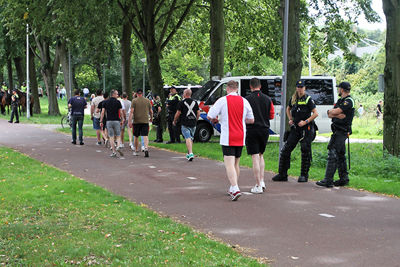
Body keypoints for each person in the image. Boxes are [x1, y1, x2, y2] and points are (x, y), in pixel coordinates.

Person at [207, 80, 254, 201]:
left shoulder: (222, 100)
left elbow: (210, 115)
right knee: (236, 163)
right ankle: (233, 188)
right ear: (237, 89)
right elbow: (251, 120)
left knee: (229, 164)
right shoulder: (244, 101)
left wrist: (217, 120)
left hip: (228, 136)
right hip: (240, 135)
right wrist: (241, 120)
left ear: (227, 89)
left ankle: (235, 187)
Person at [272, 80, 318, 183]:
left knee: (305, 150)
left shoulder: (308, 99)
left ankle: (304, 175)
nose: (300, 89)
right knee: (286, 150)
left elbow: (315, 114)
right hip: (296, 128)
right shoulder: (293, 99)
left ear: (304, 88)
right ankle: (282, 174)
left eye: (301, 87)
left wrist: (305, 122)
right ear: (296, 88)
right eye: (298, 87)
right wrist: (290, 119)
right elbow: (288, 109)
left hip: (306, 129)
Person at [316, 82, 354, 187]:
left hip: (342, 131)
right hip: (337, 130)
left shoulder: (348, 101)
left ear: (342, 89)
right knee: (341, 155)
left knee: (332, 153)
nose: (338, 90)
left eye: (339, 89)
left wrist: (334, 113)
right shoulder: (340, 101)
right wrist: (335, 114)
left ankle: (328, 180)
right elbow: (331, 114)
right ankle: (343, 178)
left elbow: (337, 111)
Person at [245, 78, 275, 193]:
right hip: (265, 129)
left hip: (252, 129)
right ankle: (262, 181)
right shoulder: (268, 99)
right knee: (261, 155)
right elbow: (271, 115)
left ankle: (258, 185)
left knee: (254, 157)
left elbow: (244, 115)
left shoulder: (246, 100)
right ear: (260, 86)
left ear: (250, 86)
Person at [173, 89, 200, 161]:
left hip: (185, 122)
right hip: (193, 122)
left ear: (184, 94)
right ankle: (189, 154)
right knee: (191, 138)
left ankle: (191, 153)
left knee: (187, 137)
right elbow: (198, 113)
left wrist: (174, 120)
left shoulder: (181, 103)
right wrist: (196, 120)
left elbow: (178, 113)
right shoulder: (195, 102)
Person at [129, 89, 153, 157]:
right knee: (145, 135)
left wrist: (130, 121)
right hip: (145, 121)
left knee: (136, 136)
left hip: (136, 121)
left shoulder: (134, 101)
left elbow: (131, 111)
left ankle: (136, 150)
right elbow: (151, 111)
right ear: (142, 93)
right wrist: (151, 118)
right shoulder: (147, 100)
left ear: (136, 93)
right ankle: (146, 148)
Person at [100, 90, 124, 158]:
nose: (117, 95)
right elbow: (121, 112)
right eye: (117, 94)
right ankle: (118, 146)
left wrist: (101, 121)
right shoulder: (118, 102)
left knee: (111, 136)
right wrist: (122, 119)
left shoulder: (105, 102)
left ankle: (114, 152)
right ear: (113, 94)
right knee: (118, 135)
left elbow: (102, 112)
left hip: (109, 121)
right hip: (116, 120)